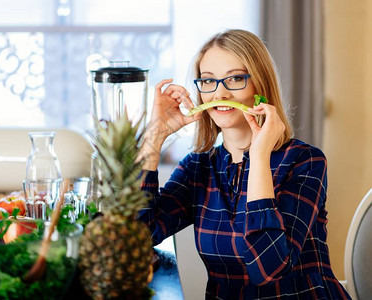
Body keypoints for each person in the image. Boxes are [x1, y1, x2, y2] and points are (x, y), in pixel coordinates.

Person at [137, 29, 350, 299]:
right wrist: (155, 136)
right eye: (208, 81)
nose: (219, 92)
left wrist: (259, 156)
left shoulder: (305, 161)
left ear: (260, 87)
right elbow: (137, 235)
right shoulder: (197, 168)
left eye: (236, 78)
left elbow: (269, 268)